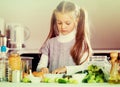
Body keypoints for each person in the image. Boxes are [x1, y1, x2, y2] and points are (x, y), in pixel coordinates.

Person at [36, 0, 92, 74]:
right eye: (59, 23)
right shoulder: (50, 43)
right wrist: (42, 68)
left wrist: (66, 69)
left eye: (67, 23)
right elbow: (40, 66)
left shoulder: (81, 43)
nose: (63, 27)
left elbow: (86, 67)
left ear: (76, 21)